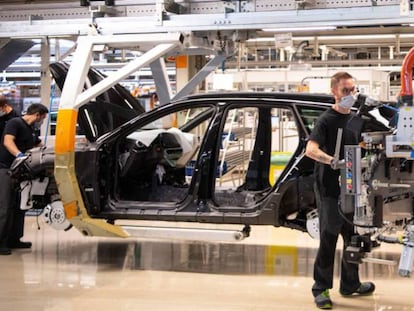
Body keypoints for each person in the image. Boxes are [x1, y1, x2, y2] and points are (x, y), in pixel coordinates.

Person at [305, 72, 375, 309]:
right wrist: (332, 160)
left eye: (353, 90)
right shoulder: (326, 120)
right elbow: (310, 149)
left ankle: (350, 284)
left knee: (352, 237)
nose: (350, 95)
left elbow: (362, 145)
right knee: (328, 238)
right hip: (330, 189)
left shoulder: (356, 119)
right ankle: (321, 288)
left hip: (352, 187)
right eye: (345, 91)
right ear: (334, 92)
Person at [0, 103, 48, 255]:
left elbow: (38, 143)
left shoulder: (31, 129)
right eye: (43, 118)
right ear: (37, 115)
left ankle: (15, 239)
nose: (42, 121)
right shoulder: (15, 123)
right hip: (6, 169)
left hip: (20, 173)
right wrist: (19, 155)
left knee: (19, 206)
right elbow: (8, 141)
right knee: (5, 207)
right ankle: (1, 242)